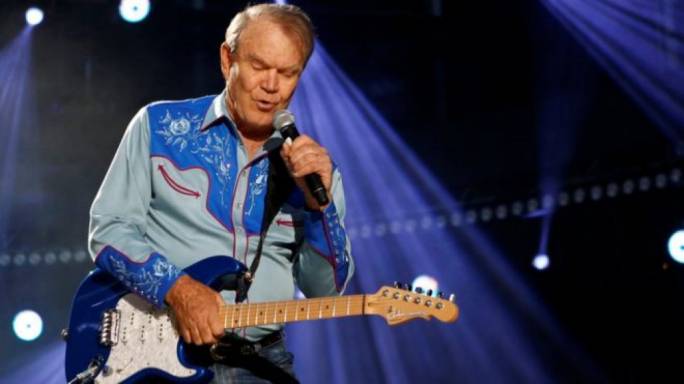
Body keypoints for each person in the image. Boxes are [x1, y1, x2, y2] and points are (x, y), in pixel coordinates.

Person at [87, 3, 354, 383]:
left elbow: (326, 291)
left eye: (287, 73)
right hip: (150, 352)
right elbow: (109, 231)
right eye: (260, 66)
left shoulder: (313, 170)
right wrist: (177, 289)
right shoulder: (159, 127)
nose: (272, 86)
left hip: (258, 361)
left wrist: (317, 209)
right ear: (228, 60)